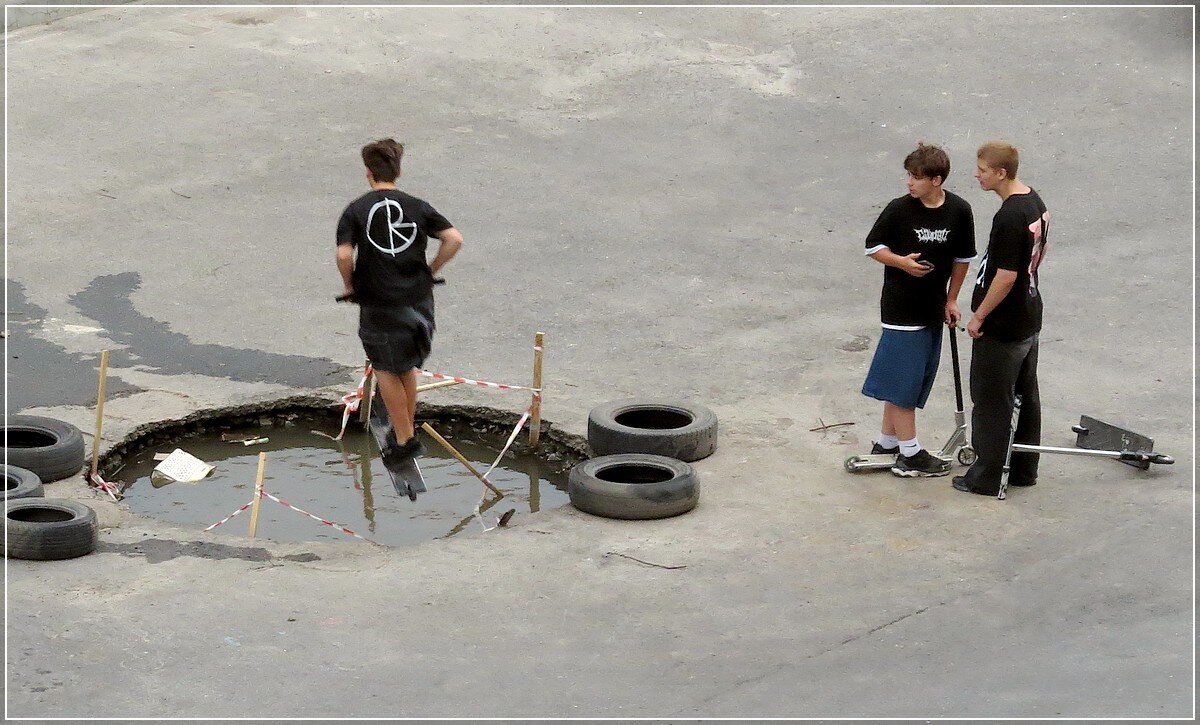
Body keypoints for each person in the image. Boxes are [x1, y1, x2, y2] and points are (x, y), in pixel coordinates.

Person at [336, 138, 463, 466]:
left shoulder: (357, 210)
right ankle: (405, 429)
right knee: (407, 365)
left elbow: (344, 253)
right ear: (399, 170)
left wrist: (349, 285)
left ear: (368, 173)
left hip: (380, 301)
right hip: (419, 299)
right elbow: (453, 239)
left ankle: (405, 440)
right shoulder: (418, 206)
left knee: (385, 369)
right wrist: (431, 269)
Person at [861, 142, 976, 477]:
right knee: (903, 384)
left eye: (916, 177)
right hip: (901, 310)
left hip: (932, 309)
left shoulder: (959, 210)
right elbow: (873, 246)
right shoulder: (899, 210)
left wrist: (951, 299)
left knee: (907, 379)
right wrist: (902, 264)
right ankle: (910, 454)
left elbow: (962, 259)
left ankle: (887, 443)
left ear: (936, 180)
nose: (909, 183)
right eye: (909, 176)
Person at [953, 141, 1049, 496]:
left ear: (1001, 173)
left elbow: (1006, 275)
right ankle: (1025, 469)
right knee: (1027, 396)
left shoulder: (1009, 215)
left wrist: (979, 316)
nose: (977, 175)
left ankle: (987, 476)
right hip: (1028, 315)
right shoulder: (1034, 202)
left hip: (1004, 326)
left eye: (982, 169)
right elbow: (1039, 253)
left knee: (992, 400)